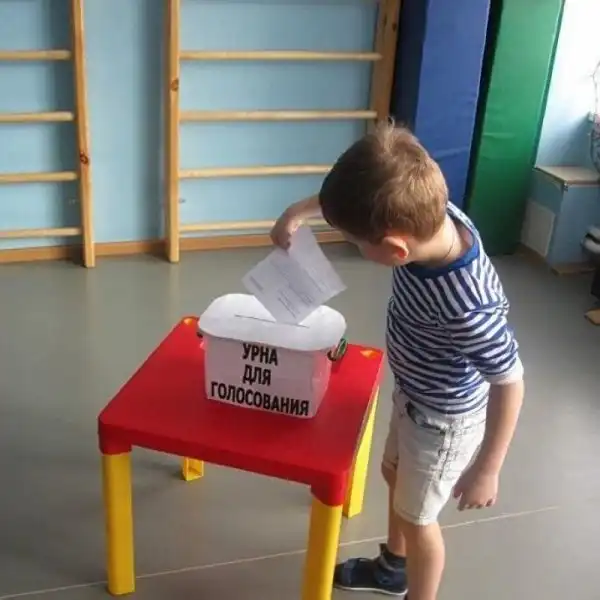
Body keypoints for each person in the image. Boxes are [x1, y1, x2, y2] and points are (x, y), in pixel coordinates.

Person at [270, 123, 524, 600]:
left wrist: (488, 468)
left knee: (419, 519)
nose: (353, 246)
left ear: (395, 249)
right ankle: (392, 568)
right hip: (414, 395)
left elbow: (510, 381)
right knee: (393, 475)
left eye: (355, 243)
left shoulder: (467, 307)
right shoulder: (432, 211)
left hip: (444, 422)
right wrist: (296, 214)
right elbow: (361, 193)